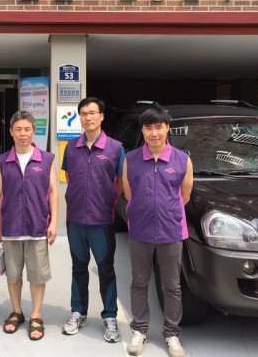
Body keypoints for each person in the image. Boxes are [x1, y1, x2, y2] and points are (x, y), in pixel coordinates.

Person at [122, 103, 193, 357]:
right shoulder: (131, 159)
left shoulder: (182, 159)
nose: (154, 133)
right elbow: (129, 194)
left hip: (171, 231)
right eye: (149, 127)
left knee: (171, 286)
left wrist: (165, 212)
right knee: (139, 283)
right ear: (142, 130)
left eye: (159, 127)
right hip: (140, 230)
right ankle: (139, 330)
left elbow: (184, 195)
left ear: (167, 128)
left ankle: (172, 334)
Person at [61, 96, 125, 343]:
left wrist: (106, 201)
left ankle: (110, 316)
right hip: (75, 219)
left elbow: (120, 182)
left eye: (92, 113)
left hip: (102, 221)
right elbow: (70, 177)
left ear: (102, 116)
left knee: (106, 269)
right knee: (78, 267)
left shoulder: (115, 148)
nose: (88, 117)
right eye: (84, 113)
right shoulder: (71, 147)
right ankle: (79, 311)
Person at [0, 110, 58, 341]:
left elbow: (53, 192)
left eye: (27, 129)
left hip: (37, 226)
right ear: (11, 132)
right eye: (18, 129)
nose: (23, 133)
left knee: (38, 275)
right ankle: (16, 311)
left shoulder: (47, 159)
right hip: (10, 227)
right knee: (13, 274)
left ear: (33, 131)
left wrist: (54, 222)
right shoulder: (2, 160)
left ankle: (36, 315)